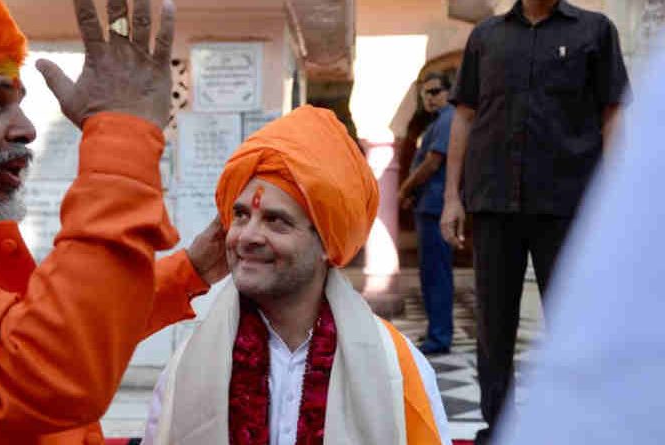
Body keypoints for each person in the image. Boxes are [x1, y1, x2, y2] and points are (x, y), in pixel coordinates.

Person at [0, 0, 226, 443]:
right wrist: (121, 138)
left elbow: (48, 322)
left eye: (18, 104)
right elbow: (44, 367)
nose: (27, 129)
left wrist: (191, 271)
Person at [142, 105, 451, 445]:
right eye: (241, 216)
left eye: (276, 221)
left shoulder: (398, 368)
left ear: (326, 245)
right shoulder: (188, 366)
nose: (247, 236)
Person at [440, 1, 630, 443]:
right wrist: (452, 197)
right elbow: (464, 117)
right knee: (493, 324)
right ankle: (500, 426)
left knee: (574, 321)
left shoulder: (595, 31)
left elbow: (612, 114)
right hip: (493, 201)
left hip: (568, 203)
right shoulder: (485, 37)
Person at [397, 72, 455, 355]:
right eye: (425, 94)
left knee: (437, 274)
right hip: (427, 204)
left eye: (435, 91)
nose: (430, 98)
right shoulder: (437, 122)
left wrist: (405, 189)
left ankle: (440, 336)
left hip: (435, 208)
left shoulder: (447, 119)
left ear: (447, 92)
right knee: (430, 273)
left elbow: (433, 163)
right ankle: (436, 331)